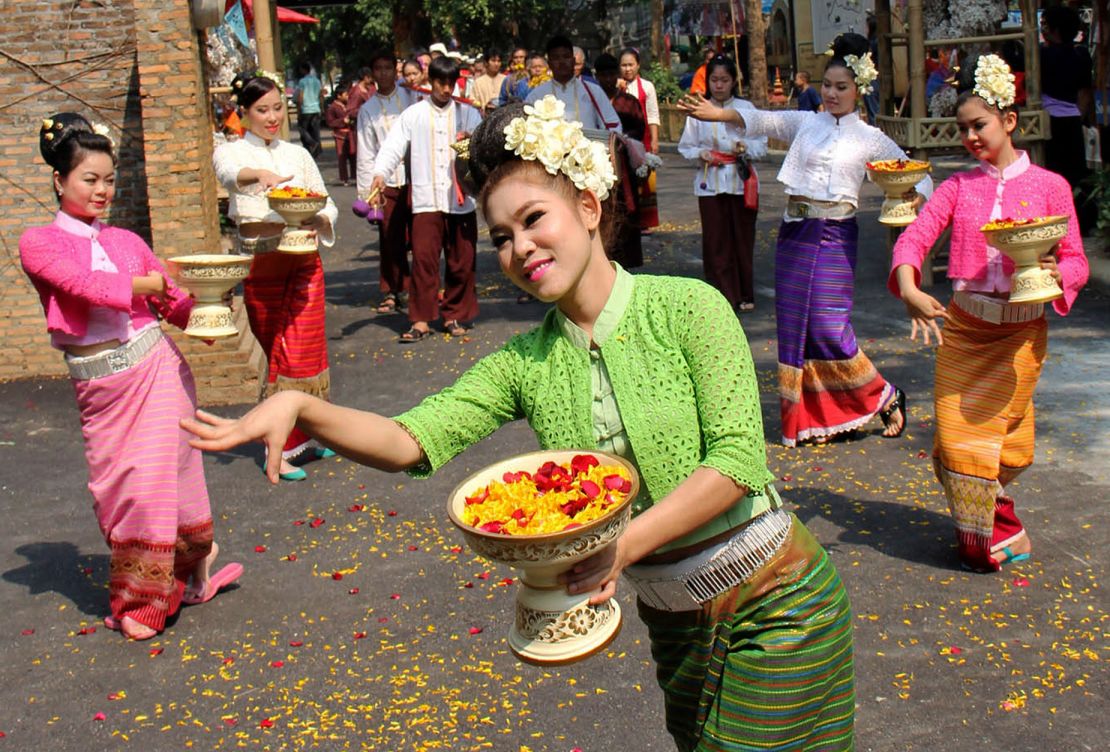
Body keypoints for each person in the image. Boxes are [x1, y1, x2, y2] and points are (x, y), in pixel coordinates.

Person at [183, 97, 856, 752]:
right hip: (676, 625)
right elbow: (410, 441)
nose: (520, 248)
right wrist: (302, 405)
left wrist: (621, 548)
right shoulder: (524, 364)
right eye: (501, 237)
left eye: (535, 219)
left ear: (588, 208)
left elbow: (737, 464)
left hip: (778, 599)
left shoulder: (689, 308)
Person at [20, 113, 242, 640]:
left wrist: (210, 312)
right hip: (100, 385)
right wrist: (146, 282)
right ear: (59, 180)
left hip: (156, 368)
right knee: (120, 489)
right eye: (89, 180)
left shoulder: (126, 239)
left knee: (163, 483)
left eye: (108, 179)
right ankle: (188, 565)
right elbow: (84, 286)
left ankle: (153, 592)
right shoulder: (39, 242)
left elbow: (173, 299)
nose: (102, 190)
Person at [679, 33, 930, 447]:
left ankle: (883, 394)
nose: (831, 94)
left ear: (858, 90)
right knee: (798, 328)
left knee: (830, 327)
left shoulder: (870, 138)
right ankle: (816, 419)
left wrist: (916, 195)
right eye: (827, 85)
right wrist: (716, 114)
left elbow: (917, 172)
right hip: (795, 232)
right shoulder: (806, 122)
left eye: (841, 88)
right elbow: (761, 119)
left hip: (835, 233)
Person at [889, 54, 1089, 573]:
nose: (971, 137)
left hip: (1021, 335)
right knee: (956, 444)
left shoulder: (1051, 186)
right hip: (965, 330)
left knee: (1011, 448)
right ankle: (996, 535)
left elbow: (1076, 261)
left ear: (1009, 122)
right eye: (963, 129)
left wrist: (1054, 272)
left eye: (979, 125)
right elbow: (915, 236)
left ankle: (1004, 527)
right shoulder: (958, 188)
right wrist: (909, 284)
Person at [212, 72, 339, 481]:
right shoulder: (231, 151)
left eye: (276, 109)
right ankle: (284, 439)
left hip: (303, 261)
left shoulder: (298, 154)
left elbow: (326, 201)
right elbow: (230, 175)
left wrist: (318, 216)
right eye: (261, 110)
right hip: (263, 262)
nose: (271, 118)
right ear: (244, 113)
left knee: (302, 350)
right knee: (276, 352)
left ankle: (297, 439)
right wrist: (260, 177)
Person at [368, 57, 482, 342]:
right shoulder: (413, 114)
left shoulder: (468, 114)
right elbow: (393, 146)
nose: (446, 88)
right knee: (424, 260)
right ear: (430, 81)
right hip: (425, 199)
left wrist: (472, 141)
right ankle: (420, 319)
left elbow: (482, 147)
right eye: (441, 82)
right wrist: (380, 173)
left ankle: (454, 314)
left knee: (462, 261)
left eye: (451, 82)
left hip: (460, 200)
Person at [678, 56, 767, 313]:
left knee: (742, 239)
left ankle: (744, 293)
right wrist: (700, 153)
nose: (719, 85)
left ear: (733, 81)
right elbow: (686, 146)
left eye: (724, 80)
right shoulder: (699, 109)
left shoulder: (745, 108)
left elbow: (761, 144)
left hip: (740, 181)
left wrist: (745, 147)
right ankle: (721, 296)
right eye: (714, 80)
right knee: (716, 241)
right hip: (710, 181)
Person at [357, 48, 417, 315]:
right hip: (387, 181)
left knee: (420, 236)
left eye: (388, 68)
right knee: (389, 237)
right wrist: (367, 192)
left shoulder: (413, 98)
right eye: (378, 69)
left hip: (416, 178)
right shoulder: (367, 110)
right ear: (372, 74)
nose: (384, 73)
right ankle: (392, 289)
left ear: (396, 70)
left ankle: (420, 287)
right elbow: (366, 151)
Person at [1040, 5, 1095, 234]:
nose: (1042, 29)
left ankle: (1056, 222)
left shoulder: (1042, 54)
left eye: (1045, 24)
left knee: (1052, 174)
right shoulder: (1081, 54)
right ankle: (1082, 222)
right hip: (1072, 120)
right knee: (1075, 174)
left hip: (1050, 121)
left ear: (1054, 29)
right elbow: (1084, 93)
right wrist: (1078, 118)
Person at [594, 52, 645, 268]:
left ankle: (629, 263)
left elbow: (639, 129)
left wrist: (621, 140)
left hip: (624, 165)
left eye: (611, 74)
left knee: (627, 212)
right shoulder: (593, 100)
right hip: (598, 164)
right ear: (597, 76)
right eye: (603, 75)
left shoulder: (628, 102)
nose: (607, 79)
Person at [527, 36, 621, 133]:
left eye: (566, 57)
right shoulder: (536, 95)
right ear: (549, 63)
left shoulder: (593, 91)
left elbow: (613, 124)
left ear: (573, 61)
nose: (562, 62)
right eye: (556, 58)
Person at [618, 48, 660, 231]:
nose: (627, 69)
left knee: (645, 181)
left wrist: (655, 140)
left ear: (638, 65)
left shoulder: (647, 87)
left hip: (643, 138)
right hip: (621, 138)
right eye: (624, 65)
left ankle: (646, 221)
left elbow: (652, 115)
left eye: (631, 65)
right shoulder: (615, 86)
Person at [324, 80, 356, 186]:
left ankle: (354, 176)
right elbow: (330, 122)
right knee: (342, 157)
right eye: (346, 94)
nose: (348, 97)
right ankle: (344, 178)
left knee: (353, 155)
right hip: (340, 136)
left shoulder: (349, 105)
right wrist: (343, 121)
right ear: (339, 95)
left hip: (350, 134)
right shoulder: (332, 107)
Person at [294, 61, 324, 158]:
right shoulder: (317, 81)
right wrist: (322, 108)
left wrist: (299, 110)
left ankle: (312, 143)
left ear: (303, 70)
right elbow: (321, 96)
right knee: (315, 130)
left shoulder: (302, 81)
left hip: (306, 109)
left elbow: (300, 97)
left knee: (302, 129)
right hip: (316, 108)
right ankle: (317, 150)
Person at [470, 47, 506, 112]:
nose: (496, 64)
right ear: (486, 63)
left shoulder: (506, 80)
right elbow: (472, 101)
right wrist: (484, 106)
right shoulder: (478, 82)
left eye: (499, 61)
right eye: (493, 61)